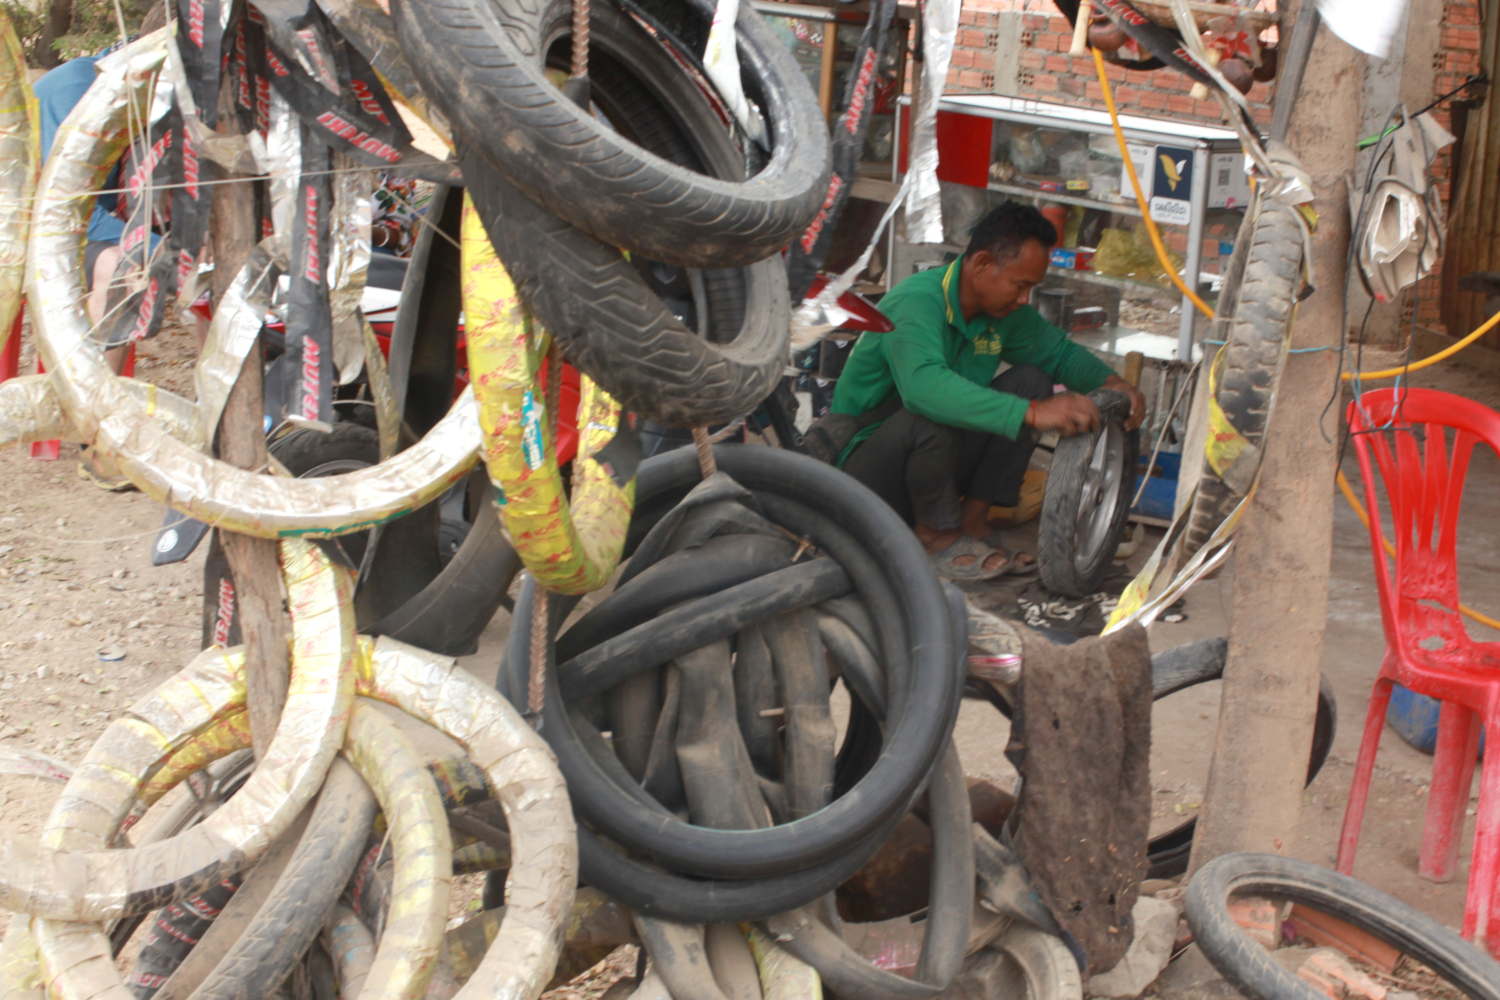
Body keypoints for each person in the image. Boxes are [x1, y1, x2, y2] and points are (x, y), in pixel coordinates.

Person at [830, 202, 1146, 581]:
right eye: (1020, 285)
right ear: (981, 264)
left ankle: (970, 522)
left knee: (1030, 380)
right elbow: (923, 390)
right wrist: (1032, 413)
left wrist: (1111, 384)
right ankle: (934, 536)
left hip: (931, 467)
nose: (1024, 299)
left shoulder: (1002, 314)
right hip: (862, 479)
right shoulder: (916, 302)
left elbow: (1057, 353)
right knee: (935, 411)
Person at [33, 0, 169, 488]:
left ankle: (108, 428)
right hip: (37, 232)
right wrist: (160, 244)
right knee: (128, 260)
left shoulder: (146, 96)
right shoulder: (74, 91)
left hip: (80, 227)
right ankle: (100, 433)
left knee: (136, 260)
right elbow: (71, 215)